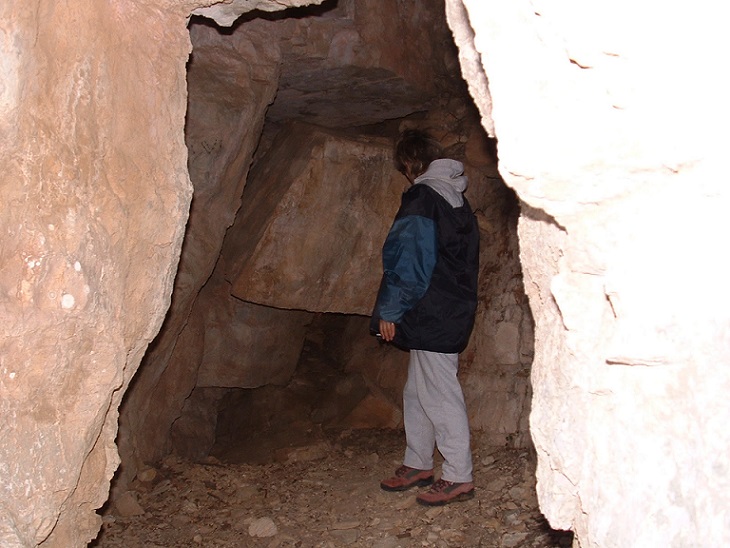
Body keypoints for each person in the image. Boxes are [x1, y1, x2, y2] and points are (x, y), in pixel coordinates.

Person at [371, 129, 479, 506]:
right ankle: (418, 462)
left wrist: (390, 308)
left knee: (439, 393)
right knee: (418, 390)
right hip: (448, 307)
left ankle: (458, 475)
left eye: (403, 168)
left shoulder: (422, 198)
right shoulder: (456, 202)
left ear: (410, 164)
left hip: (431, 309)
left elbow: (409, 259)